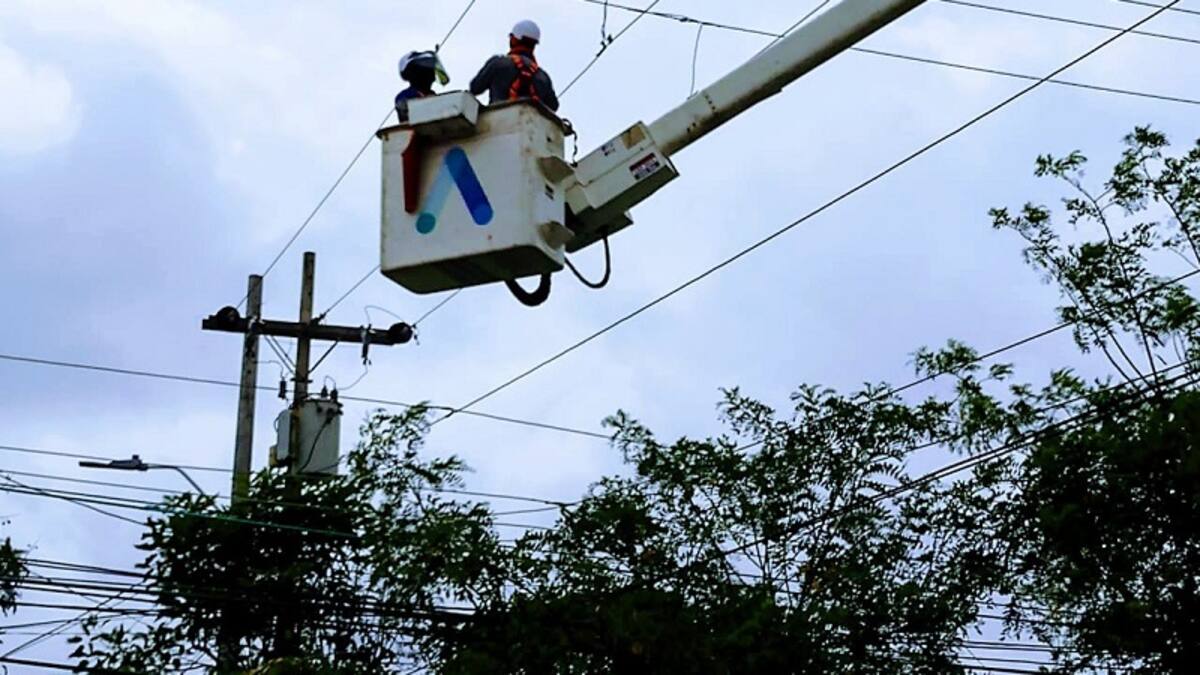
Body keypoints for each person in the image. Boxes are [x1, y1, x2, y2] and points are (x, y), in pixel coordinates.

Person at [469, 20, 559, 113]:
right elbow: (553, 106)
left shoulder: (498, 63)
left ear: (514, 39)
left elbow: (475, 87)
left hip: (497, 119)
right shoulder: (543, 77)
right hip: (530, 121)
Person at [395, 50, 449, 122]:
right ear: (412, 74)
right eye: (426, 71)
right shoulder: (405, 95)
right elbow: (407, 111)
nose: (431, 76)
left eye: (431, 71)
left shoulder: (433, 95)